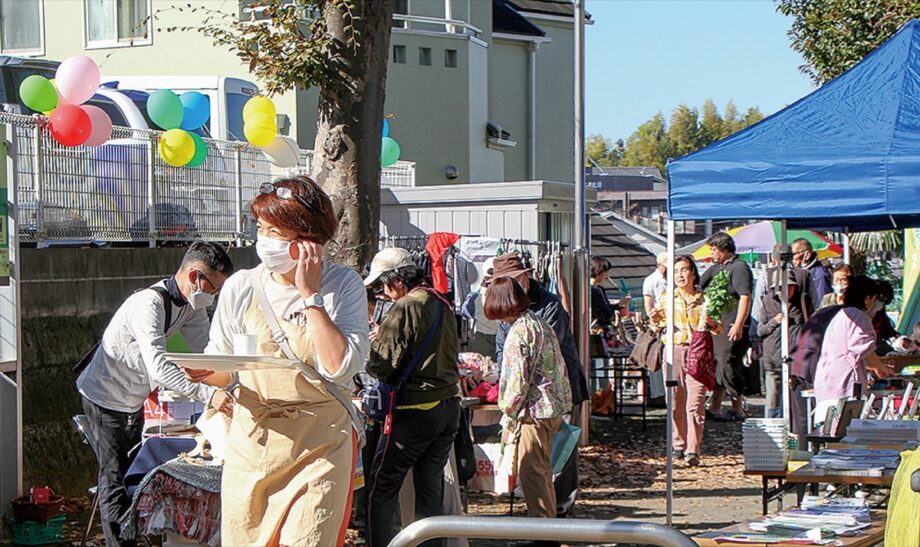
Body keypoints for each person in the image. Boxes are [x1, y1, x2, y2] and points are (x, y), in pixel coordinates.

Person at [191, 176, 370, 546]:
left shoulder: (344, 285)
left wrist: (310, 294)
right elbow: (227, 370)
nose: (265, 239)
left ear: (308, 241)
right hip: (254, 442)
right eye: (261, 228)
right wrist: (201, 372)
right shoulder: (242, 286)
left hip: (320, 444)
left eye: (276, 231)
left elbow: (340, 367)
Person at [76, 241, 234, 547]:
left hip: (133, 399)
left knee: (132, 473)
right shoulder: (148, 304)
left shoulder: (193, 307)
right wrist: (208, 395)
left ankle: (131, 534)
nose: (213, 296)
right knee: (114, 477)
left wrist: (228, 380)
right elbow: (160, 367)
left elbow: (205, 354)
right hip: (103, 397)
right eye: (213, 287)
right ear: (194, 277)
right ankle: (118, 542)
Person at [364, 246, 460, 547]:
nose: (383, 293)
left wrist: (375, 342)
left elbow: (381, 365)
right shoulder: (442, 302)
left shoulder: (406, 306)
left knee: (382, 488)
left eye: (382, 285)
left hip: (415, 410)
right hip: (448, 406)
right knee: (430, 489)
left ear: (396, 280)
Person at [490, 253, 587, 517]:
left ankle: (545, 529)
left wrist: (507, 409)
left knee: (535, 470)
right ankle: (546, 526)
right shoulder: (532, 321)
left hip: (538, 407)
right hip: (548, 403)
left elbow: (519, 378)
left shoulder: (533, 320)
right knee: (541, 469)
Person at [650, 255, 721, 466]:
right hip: (674, 352)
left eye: (683, 270)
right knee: (674, 400)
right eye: (676, 271)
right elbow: (657, 326)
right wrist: (655, 320)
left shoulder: (706, 298)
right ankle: (677, 444)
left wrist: (711, 323)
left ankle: (693, 450)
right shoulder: (667, 298)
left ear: (692, 273)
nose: (680, 275)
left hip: (698, 353)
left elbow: (719, 329)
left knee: (695, 402)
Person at [812, 276, 894, 424]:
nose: (879, 306)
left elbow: (856, 353)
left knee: (830, 435)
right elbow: (863, 350)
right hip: (842, 387)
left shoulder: (842, 315)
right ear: (868, 298)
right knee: (841, 437)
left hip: (828, 383)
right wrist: (881, 367)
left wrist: (877, 367)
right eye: (877, 300)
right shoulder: (858, 316)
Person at [700, 232, 754, 421]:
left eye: (714, 249)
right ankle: (715, 406)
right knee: (718, 364)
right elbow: (699, 285)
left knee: (728, 362)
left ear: (724, 249)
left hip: (732, 322)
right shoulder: (717, 268)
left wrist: (738, 324)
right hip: (716, 324)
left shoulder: (739, 268)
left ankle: (737, 405)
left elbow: (745, 296)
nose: (712, 253)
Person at [757, 273, 805, 418]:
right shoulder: (767, 302)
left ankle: (792, 432)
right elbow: (760, 331)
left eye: (790, 287)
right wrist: (774, 322)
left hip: (795, 361)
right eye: (783, 287)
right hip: (773, 359)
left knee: (793, 401)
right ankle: (772, 431)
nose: (786, 291)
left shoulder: (801, 303)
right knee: (773, 399)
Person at [792, 238, 832, 306]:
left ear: (807, 254)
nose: (792, 258)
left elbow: (822, 303)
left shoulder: (819, 274)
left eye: (794, 253)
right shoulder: (802, 273)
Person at [590, 256, 628, 327]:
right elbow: (603, 314)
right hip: (597, 330)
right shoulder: (594, 291)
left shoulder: (597, 288)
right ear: (598, 272)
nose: (607, 276)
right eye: (605, 272)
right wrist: (618, 305)